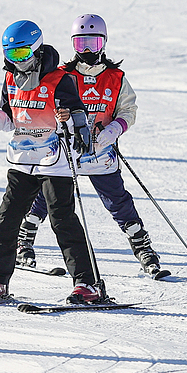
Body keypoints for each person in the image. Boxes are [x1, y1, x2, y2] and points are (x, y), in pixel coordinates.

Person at [11, 14, 162, 276]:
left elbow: (128, 110)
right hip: (63, 152)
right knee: (46, 198)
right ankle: (25, 239)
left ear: (103, 43)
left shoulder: (116, 78)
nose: (87, 51)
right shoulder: (61, 75)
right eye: (81, 45)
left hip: (100, 153)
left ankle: (142, 246)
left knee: (117, 200)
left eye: (92, 43)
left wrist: (115, 129)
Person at [0, 19, 106, 304]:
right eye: (9, 55)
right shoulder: (10, 79)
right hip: (22, 160)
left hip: (54, 162)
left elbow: (79, 121)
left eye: (20, 54)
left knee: (62, 221)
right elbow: (10, 119)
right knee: (6, 220)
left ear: (35, 48)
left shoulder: (59, 79)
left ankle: (87, 283)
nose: (15, 61)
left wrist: (68, 121)